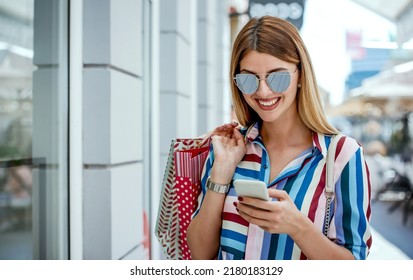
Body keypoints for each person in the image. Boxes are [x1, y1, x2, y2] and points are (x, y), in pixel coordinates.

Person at [186, 16, 372, 260]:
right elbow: (200, 255)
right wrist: (220, 173)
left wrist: (297, 227)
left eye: (278, 77)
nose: (263, 91)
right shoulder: (228, 148)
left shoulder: (342, 155)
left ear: (301, 76)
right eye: (248, 79)